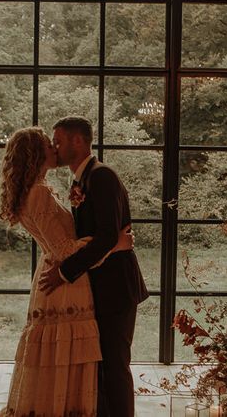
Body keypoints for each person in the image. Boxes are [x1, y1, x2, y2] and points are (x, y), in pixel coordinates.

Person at [0, 126, 134, 417]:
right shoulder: (38, 194)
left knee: (70, 361)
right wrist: (116, 244)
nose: (54, 149)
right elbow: (65, 250)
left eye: (55, 142)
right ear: (36, 154)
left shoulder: (38, 190)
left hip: (62, 278)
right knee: (64, 361)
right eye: (50, 144)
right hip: (62, 283)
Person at [40, 116, 149, 417]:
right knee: (99, 370)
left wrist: (64, 272)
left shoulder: (102, 177)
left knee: (114, 368)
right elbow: (100, 238)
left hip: (116, 289)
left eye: (58, 141)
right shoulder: (80, 179)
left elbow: (104, 238)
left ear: (78, 141)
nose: (55, 147)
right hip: (97, 288)